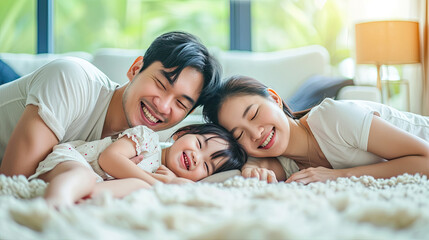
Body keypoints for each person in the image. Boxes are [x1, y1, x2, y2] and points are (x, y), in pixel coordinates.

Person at [0, 31, 221, 178]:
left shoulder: (142, 150)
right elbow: (14, 182)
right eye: (161, 84)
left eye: (181, 103)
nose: (163, 107)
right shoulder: (72, 79)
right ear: (136, 69)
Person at [203, 75, 429, 184]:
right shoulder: (286, 164)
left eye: (253, 114)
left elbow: (425, 159)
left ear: (274, 99)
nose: (255, 133)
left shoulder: (332, 117)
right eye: (239, 135)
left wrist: (338, 176)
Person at [28, 123, 247, 207]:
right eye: (199, 144)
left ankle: (77, 202)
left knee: (137, 186)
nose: (197, 157)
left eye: (207, 166)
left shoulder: (157, 181)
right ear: (182, 133)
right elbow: (108, 159)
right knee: (84, 177)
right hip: (72, 161)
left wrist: (168, 182)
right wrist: (156, 183)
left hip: (92, 183)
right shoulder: (148, 140)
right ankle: (55, 203)